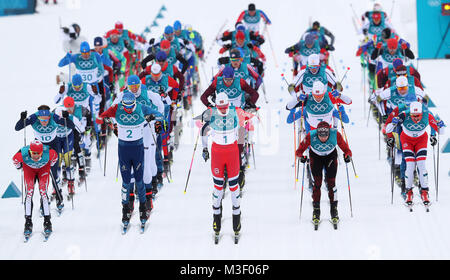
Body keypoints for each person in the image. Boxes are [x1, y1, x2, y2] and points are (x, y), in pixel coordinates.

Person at [96, 92, 162, 231]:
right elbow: (100, 118)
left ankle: (143, 208)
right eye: (126, 106)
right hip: (124, 149)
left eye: (131, 106)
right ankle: (125, 210)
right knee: (126, 182)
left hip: (138, 149)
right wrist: (107, 122)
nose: (129, 109)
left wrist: (154, 118)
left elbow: (158, 113)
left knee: (139, 180)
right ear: (122, 104)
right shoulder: (117, 108)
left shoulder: (141, 107)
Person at [15, 105, 75, 212]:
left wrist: (67, 118)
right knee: (43, 176)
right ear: (38, 117)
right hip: (39, 149)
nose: (44, 122)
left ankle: (59, 198)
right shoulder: (34, 117)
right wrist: (22, 119)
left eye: (46, 119)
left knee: (54, 172)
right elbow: (17, 128)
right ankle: (44, 202)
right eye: (42, 120)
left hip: (53, 146)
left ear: (49, 116)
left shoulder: (54, 117)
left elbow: (71, 126)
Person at [385, 101, 445, 206]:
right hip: (406, 140)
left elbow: (441, 131)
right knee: (410, 166)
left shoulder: (427, 114)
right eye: (413, 116)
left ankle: (425, 192)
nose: (416, 118)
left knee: (421, 165)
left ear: (422, 113)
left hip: (421, 140)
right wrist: (394, 123)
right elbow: (388, 129)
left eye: (418, 116)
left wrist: (435, 132)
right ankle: (408, 192)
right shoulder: (404, 114)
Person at [201, 93, 243, 240]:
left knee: (234, 187)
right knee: (218, 188)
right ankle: (216, 219)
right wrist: (204, 148)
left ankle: (236, 220)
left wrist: (241, 147)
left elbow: (242, 128)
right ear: (216, 105)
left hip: (232, 152)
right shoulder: (211, 113)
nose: (224, 110)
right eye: (221, 107)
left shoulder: (234, 112)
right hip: (217, 153)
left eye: (225, 106)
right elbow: (204, 131)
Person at [295, 121, 352, 227]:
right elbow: (299, 150)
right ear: (317, 133)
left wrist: (347, 155)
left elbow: (346, 148)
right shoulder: (311, 135)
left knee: (332, 183)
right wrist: (301, 157)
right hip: (315, 157)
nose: (323, 139)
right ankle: (316, 211)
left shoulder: (335, 134)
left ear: (329, 133)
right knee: (317, 183)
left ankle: (334, 210)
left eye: (325, 136)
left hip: (331, 157)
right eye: (321, 137)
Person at [13, 140, 58, 239]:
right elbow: (15, 160)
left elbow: (55, 158)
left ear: (42, 152)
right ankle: (28, 223)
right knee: (29, 193)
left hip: (43, 169)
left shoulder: (49, 152)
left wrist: (49, 164)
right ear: (30, 151)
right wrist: (19, 166)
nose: (36, 156)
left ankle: (47, 221)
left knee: (43, 192)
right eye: (33, 153)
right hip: (29, 170)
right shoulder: (22, 153)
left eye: (39, 154)